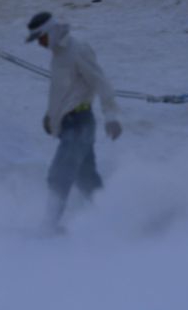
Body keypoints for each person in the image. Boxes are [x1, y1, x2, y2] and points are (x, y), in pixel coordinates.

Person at [26, 12, 122, 231]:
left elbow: (102, 83)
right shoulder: (58, 53)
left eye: (40, 38)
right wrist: (52, 116)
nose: (39, 44)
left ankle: (49, 226)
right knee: (86, 177)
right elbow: (63, 91)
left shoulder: (78, 48)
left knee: (58, 174)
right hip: (69, 123)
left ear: (50, 32)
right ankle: (109, 220)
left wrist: (111, 117)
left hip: (81, 123)